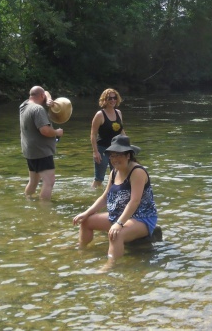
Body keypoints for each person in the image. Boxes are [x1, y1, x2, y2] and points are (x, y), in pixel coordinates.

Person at [73, 135, 158, 271]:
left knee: (116, 234)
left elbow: (135, 201)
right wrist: (86, 213)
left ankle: (111, 265)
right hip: (118, 214)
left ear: (128, 155)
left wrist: (119, 224)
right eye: (112, 155)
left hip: (142, 218)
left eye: (118, 155)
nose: (114, 159)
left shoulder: (137, 172)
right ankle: (81, 249)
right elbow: (105, 197)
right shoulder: (114, 172)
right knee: (86, 221)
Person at [19, 86, 64, 200]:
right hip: (41, 151)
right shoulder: (38, 109)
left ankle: (28, 201)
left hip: (29, 150)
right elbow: (45, 131)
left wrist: (49, 99)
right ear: (41, 96)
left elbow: (44, 92)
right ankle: (44, 210)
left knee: (33, 181)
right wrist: (57, 132)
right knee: (49, 181)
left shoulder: (24, 106)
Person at [90, 88, 126, 188]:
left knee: (116, 176)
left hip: (116, 149)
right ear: (104, 100)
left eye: (114, 98)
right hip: (103, 149)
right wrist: (95, 152)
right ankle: (93, 196)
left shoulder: (118, 113)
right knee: (99, 178)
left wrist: (127, 146)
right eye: (110, 98)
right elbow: (93, 134)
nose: (113, 100)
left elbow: (121, 131)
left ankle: (112, 196)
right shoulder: (100, 115)